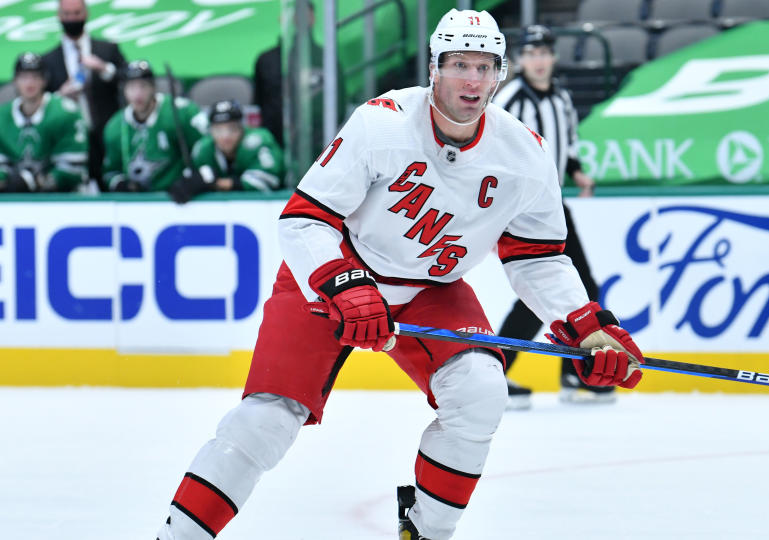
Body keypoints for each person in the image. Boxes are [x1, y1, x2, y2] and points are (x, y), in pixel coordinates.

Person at [155, 9, 643, 540]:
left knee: (481, 390)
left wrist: (585, 326)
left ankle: (426, 532)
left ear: (501, 73)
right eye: (459, 64)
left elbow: (538, 256)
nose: (472, 81)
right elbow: (303, 220)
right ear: (434, 68)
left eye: (485, 67)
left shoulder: (525, 154)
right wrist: (344, 283)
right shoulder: (380, 122)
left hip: (431, 291)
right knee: (265, 421)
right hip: (333, 276)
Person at [493, 24, 609, 408]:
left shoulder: (561, 98)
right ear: (520, 60)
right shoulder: (510, 99)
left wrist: (577, 172)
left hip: (554, 206)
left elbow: (566, 147)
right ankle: (498, 372)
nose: (538, 60)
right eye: (531, 53)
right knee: (544, 292)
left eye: (544, 52)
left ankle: (573, 374)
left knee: (581, 289)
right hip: (521, 210)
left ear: (553, 57)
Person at [42, 0, 126, 191]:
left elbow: (129, 81)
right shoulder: (48, 60)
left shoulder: (108, 50)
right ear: (59, 16)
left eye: (76, 13)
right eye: (67, 14)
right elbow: (41, 104)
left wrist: (104, 69)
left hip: (105, 134)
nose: (72, 18)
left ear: (86, 13)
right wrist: (59, 97)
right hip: (69, 139)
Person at [101, 60, 207, 197]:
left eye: (143, 86)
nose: (137, 94)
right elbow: (110, 172)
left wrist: (196, 179)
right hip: (139, 204)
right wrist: (121, 184)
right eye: (131, 87)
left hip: (178, 198)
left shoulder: (182, 112)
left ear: (153, 87)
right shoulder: (115, 127)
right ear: (123, 90)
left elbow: (206, 151)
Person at [252, 0, 344, 153]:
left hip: (318, 147)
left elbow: (338, 106)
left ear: (313, 18)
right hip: (277, 147)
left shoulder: (326, 59)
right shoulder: (266, 60)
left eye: (304, 14)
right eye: (294, 14)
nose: (299, 19)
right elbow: (260, 106)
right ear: (282, 18)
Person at [0, 52, 87, 192]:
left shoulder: (65, 112)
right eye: (24, 77)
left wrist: (39, 181)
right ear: (15, 81)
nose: (29, 83)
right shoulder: (2, 116)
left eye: (35, 77)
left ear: (44, 80)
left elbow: (73, 168)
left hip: (63, 198)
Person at [185, 99, 284, 196]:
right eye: (218, 130)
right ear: (210, 131)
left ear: (242, 127)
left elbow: (270, 179)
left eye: (232, 128)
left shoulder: (258, 141)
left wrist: (218, 184)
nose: (225, 136)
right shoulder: (203, 149)